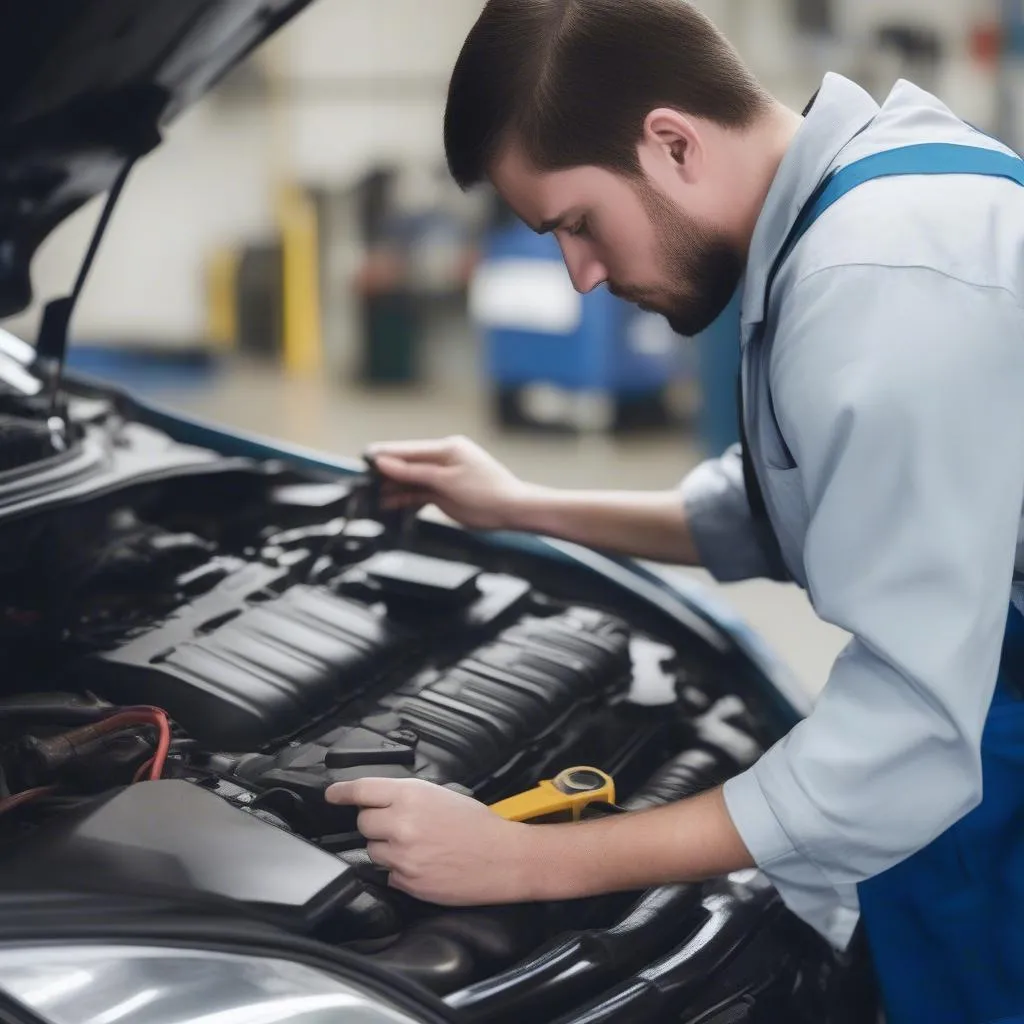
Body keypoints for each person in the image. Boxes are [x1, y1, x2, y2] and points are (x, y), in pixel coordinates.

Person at [325, 3, 1024, 1021]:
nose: (582, 275)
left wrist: (527, 860)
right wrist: (519, 506)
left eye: (575, 223)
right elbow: (785, 504)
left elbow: (906, 739)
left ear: (673, 142)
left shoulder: (873, 277)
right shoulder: (850, 207)